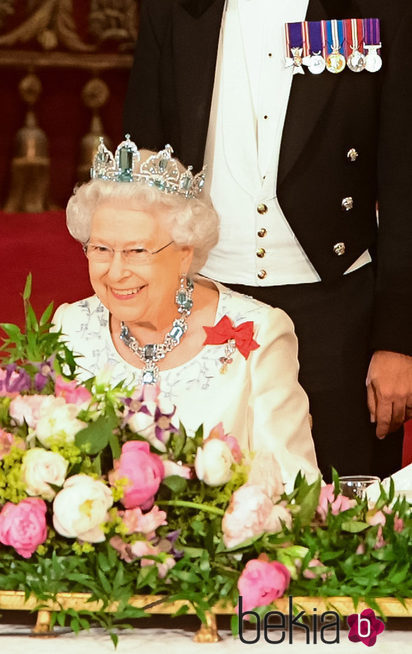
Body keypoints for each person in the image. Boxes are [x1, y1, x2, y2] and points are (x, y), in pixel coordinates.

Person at [122, 0, 412, 479]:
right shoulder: (174, 10)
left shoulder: (379, 8)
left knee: (339, 514)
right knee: (199, 505)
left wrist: (398, 341)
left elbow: (405, 188)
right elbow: (143, 176)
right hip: (203, 305)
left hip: (336, 313)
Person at [54, 138, 320, 485]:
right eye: (101, 248)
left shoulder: (260, 333)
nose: (116, 272)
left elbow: (294, 486)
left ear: (184, 252)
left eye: (136, 251)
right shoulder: (69, 326)